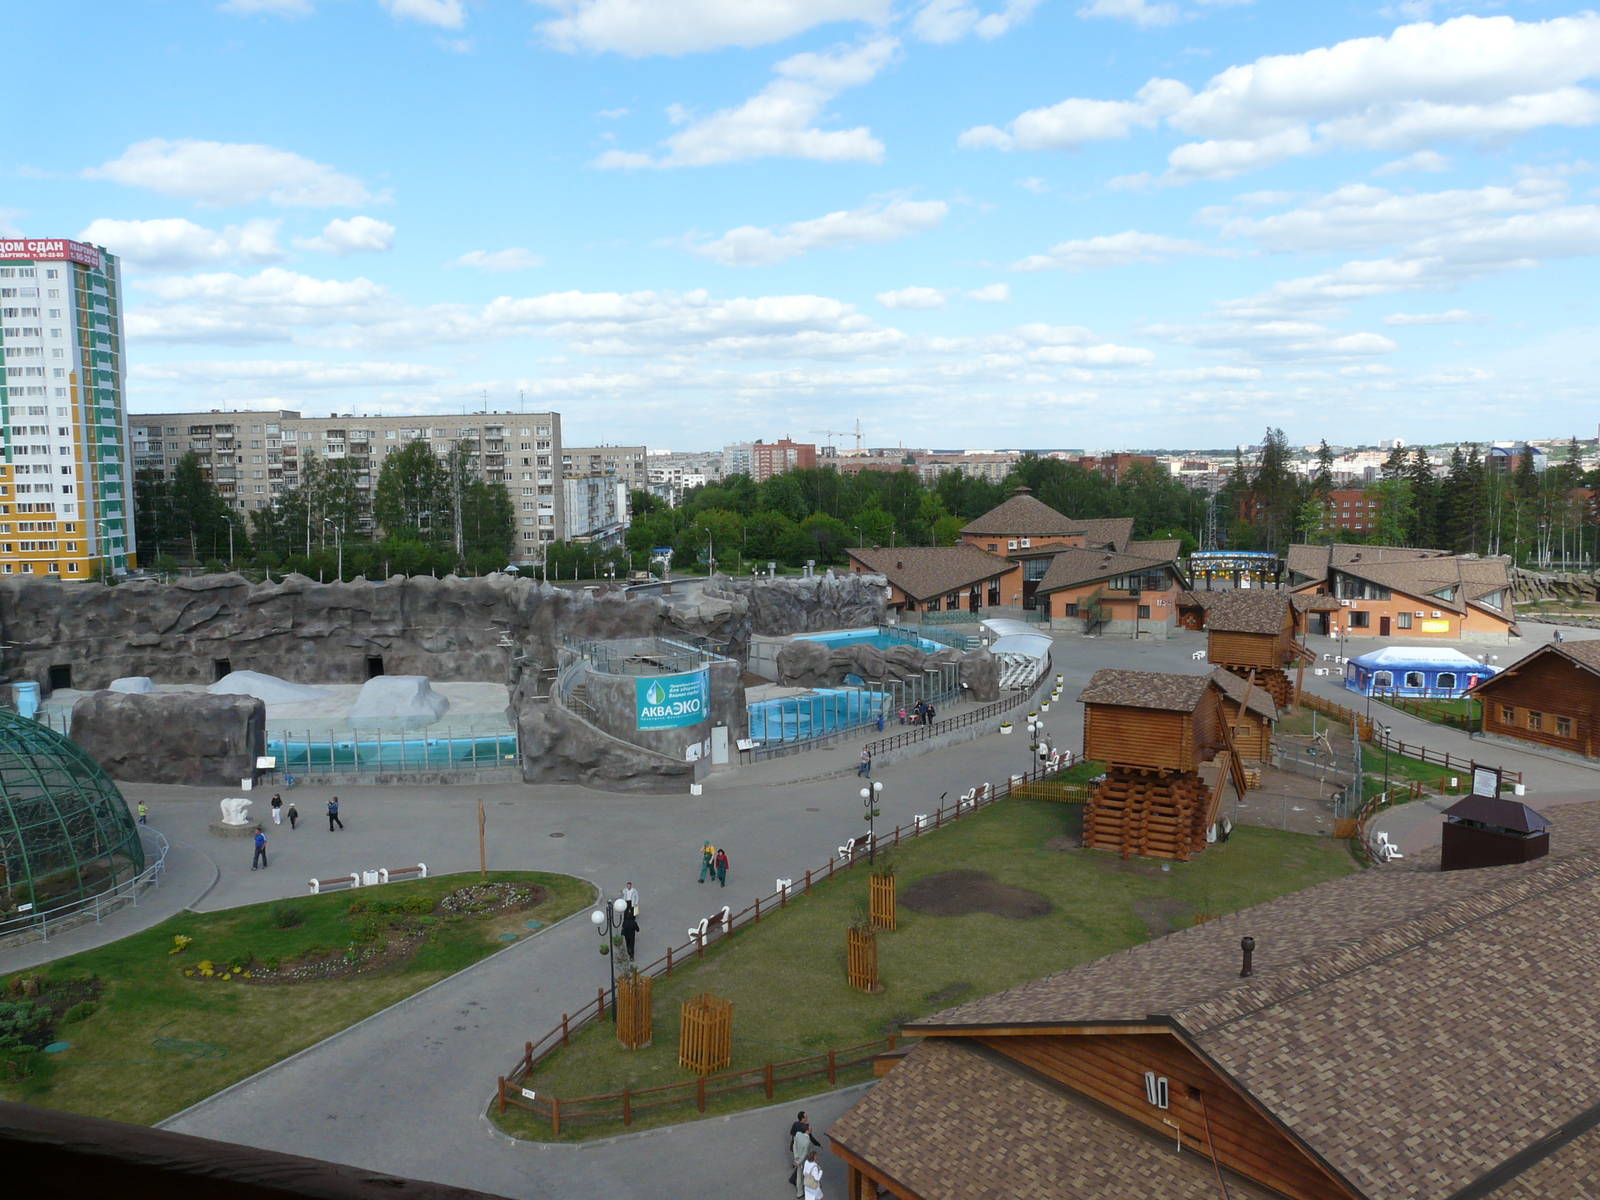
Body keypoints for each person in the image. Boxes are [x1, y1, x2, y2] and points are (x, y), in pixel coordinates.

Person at [790, 1119, 814, 1198]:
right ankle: (807, 1191)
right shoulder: (807, 1142)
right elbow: (804, 1154)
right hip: (803, 1161)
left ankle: (800, 1193)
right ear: (807, 1130)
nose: (811, 1129)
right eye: (810, 1128)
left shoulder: (798, 1134)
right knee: (806, 1175)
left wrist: (796, 1157)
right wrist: (799, 1162)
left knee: (799, 1176)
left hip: (798, 1159)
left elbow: (794, 1146)